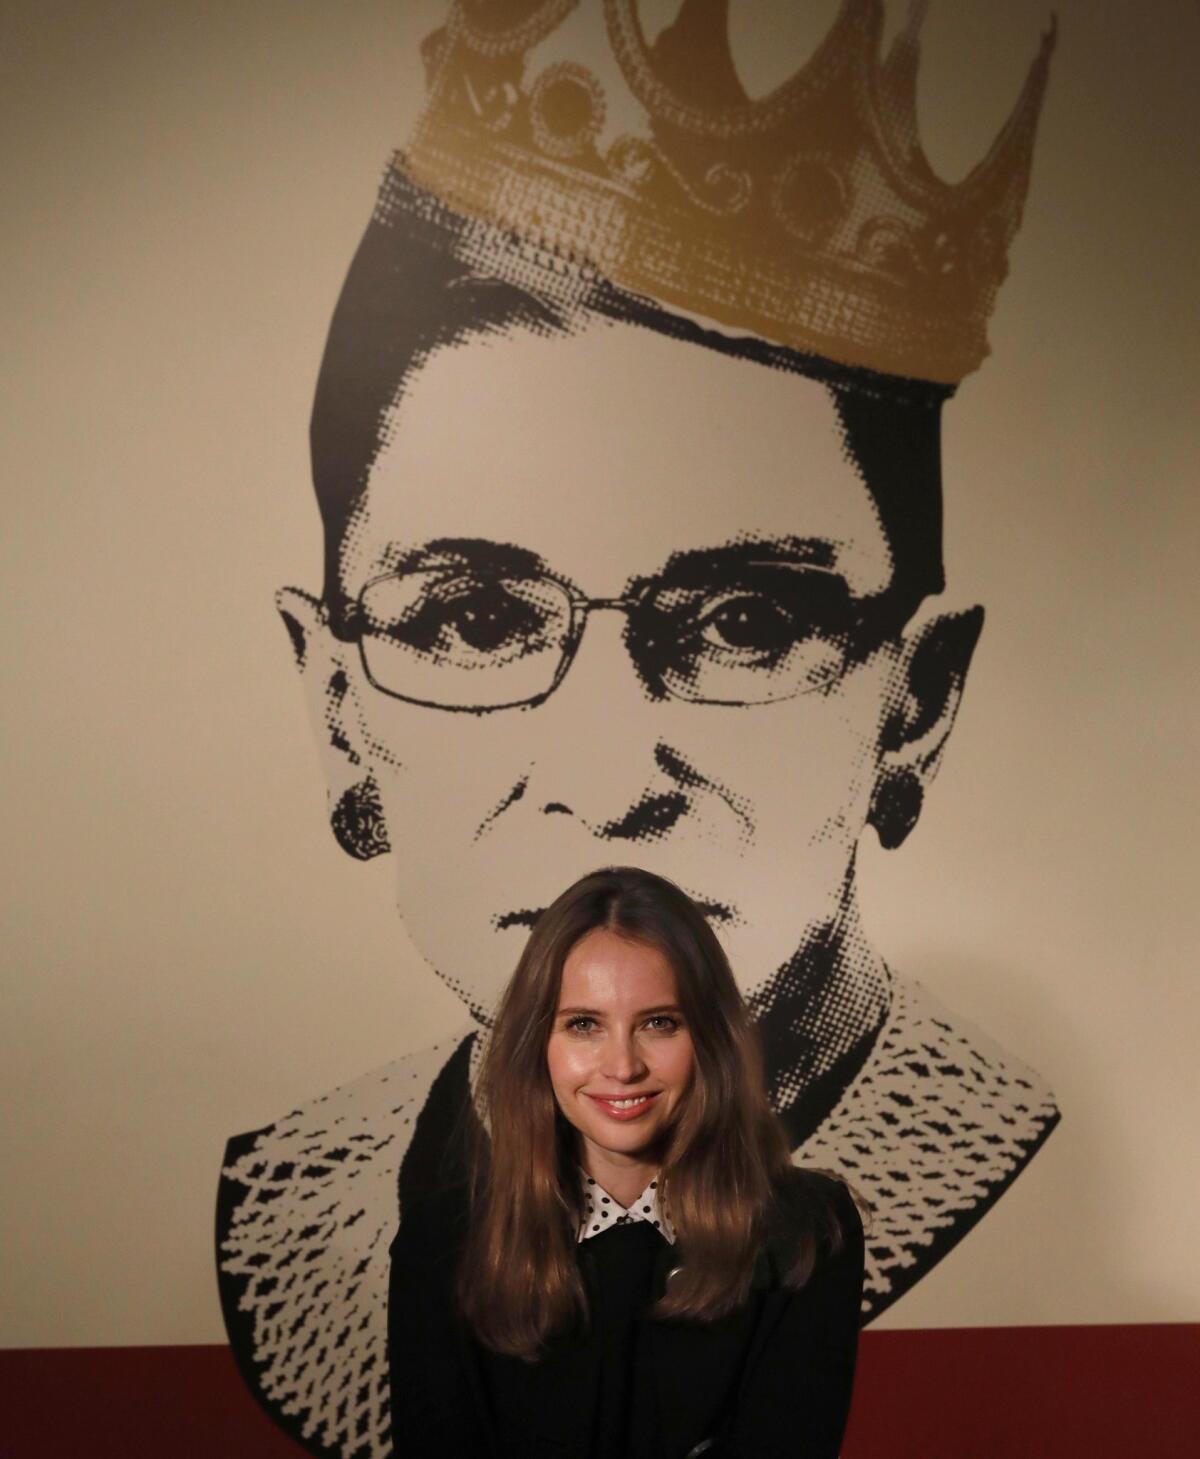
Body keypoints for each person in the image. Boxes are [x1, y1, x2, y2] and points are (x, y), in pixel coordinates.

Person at [217, 6, 1059, 1456]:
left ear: (910, 705)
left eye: (743, 621)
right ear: (335, 697)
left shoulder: (830, 1218)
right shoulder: (338, 1206)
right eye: (475, 617)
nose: (608, 781)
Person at [388, 865, 866, 1459]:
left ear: (709, 1039)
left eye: (659, 1023)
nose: (622, 1066)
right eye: (583, 1025)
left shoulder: (808, 1230)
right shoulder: (440, 1241)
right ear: (540, 1044)